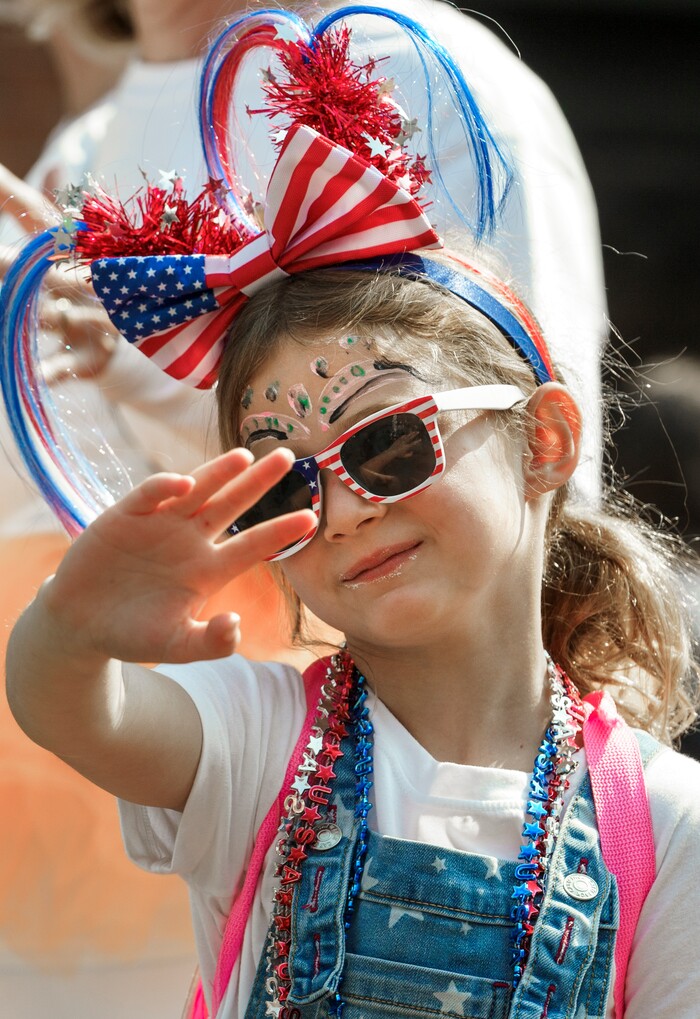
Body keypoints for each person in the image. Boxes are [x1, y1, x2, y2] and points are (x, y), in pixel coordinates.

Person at [2, 9, 698, 1019]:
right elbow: (66, 703)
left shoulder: (665, 821)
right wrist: (75, 623)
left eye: (388, 443)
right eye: (287, 481)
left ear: (544, 440)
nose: (344, 508)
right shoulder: (255, 742)